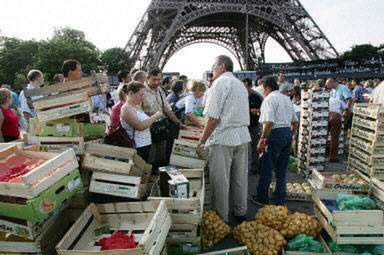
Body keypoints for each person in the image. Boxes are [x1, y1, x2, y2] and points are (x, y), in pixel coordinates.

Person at [197, 55, 251, 223]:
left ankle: (221, 218)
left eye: (213, 67)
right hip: (242, 135)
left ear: (221, 66)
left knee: (220, 180)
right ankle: (240, 212)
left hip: (223, 137)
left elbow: (213, 118)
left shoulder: (219, 84)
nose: (212, 71)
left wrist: (202, 141)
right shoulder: (240, 85)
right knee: (240, 178)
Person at [252, 76, 298, 206]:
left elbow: (269, 123)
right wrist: (291, 135)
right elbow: (295, 122)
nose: (263, 91)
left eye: (263, 88)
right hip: (286, 133)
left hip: (274, 134)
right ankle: (280, 199)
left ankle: (262, 198)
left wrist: (262, 139)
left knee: (266, 167)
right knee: (281, 170)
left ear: (267, 87)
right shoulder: (286, 99)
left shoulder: (269, 99)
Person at [142, 67, 183, 168]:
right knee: (149, 156)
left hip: (161, 128)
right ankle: (149, 177)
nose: (157, 82)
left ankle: (157, 176)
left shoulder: (160, 90)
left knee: (160, 155)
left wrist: (178, 122)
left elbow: (167, 109)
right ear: (148, 78)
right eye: (154, 79)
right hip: (147, 128)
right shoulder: (141, 91)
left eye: (159, 80)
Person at [120, 82, 163, 161]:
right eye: (141, 95)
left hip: (144, 144)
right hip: (137, 147)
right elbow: (140, 126)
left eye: (144, 95)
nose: (143, 97)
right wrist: (155, 116)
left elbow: (146, 123)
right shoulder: (126, 109)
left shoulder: (136, 106)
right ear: (131, 93)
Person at [242, 78, 263, 175]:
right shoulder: (240, 95)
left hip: (254, 125)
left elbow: (265, 110)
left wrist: (257, 111)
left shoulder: (257, 96)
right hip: (243, 125)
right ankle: (246, 168)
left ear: (250, 86)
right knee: (244, 148)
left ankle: (254, 168)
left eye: (245, 86)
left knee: (254, 147)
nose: (243, 88)